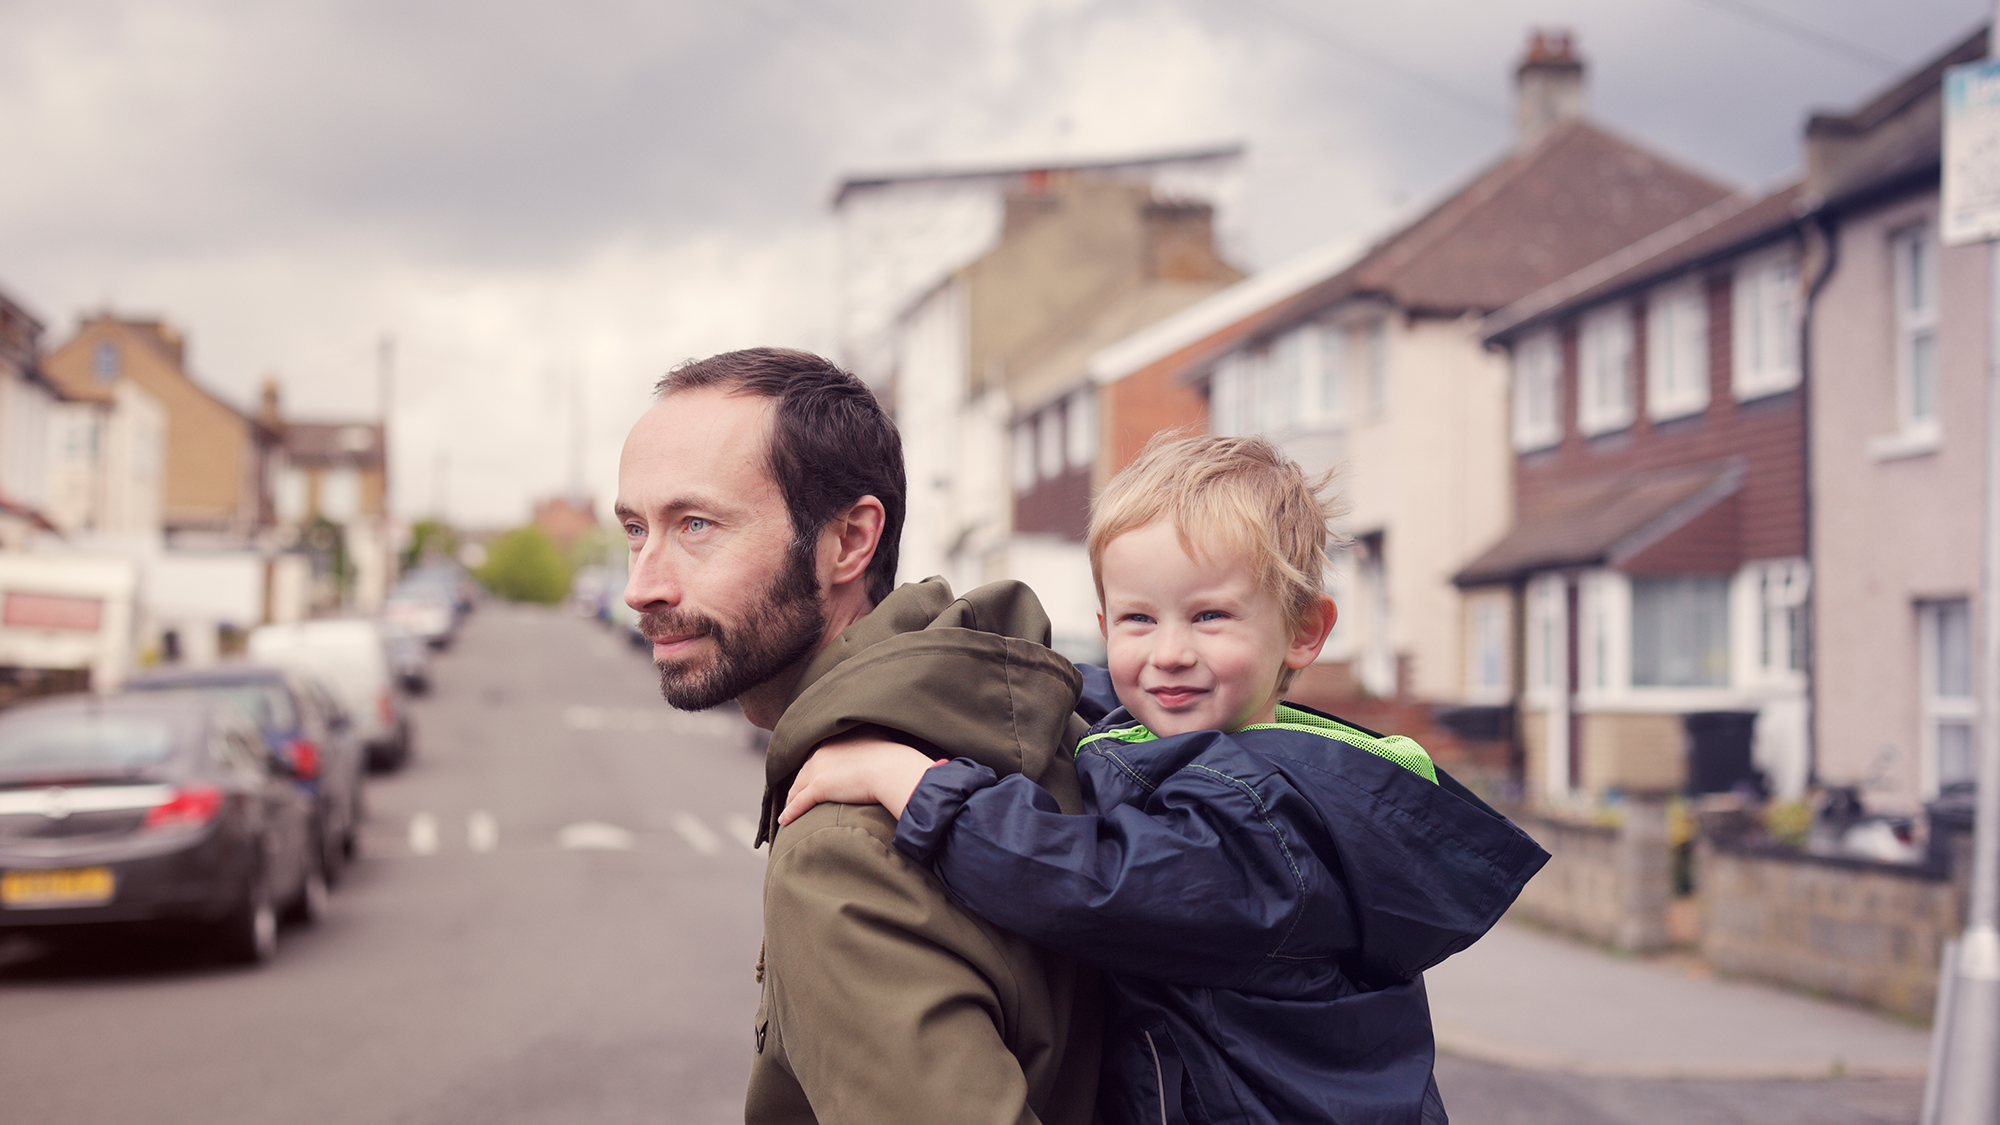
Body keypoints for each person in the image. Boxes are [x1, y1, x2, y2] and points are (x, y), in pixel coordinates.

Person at [781, 433, 1551, 1125]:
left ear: (1305, 631)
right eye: (1139, 621)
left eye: (1211, 617)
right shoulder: (1230, 734)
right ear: (1107, 623)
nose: (1169, 653)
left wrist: (914, 784)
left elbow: (1089, 883)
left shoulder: (1263, 820)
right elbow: (1113, 703)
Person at [616, 347, 1101, 1125]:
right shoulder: (1009, 715)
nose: (642, 583)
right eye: (636, 530)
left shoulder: (843, 844)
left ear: (848, 540)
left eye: (696, 524)